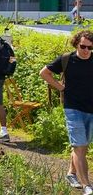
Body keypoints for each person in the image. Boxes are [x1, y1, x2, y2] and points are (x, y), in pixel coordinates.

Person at [40, 30, 93, 192]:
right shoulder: (67, 60)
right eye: (83, 46)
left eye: (90, 48)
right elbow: (44, 73)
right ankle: (87, 185)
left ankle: (71, 173)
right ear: (76, 44)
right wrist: (61, 87)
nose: (86, 50)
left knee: (82, 146)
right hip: (72, 108)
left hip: (91, 109)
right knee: (79, 146)